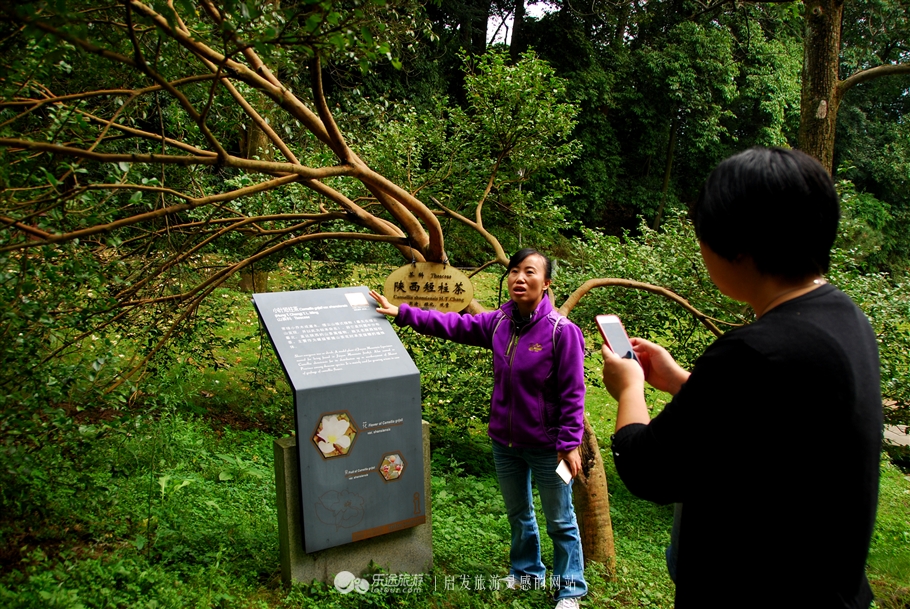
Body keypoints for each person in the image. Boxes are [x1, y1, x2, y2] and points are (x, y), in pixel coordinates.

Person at [601, 147, 882, 608]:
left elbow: (647, 469)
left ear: (736, 246)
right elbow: (776, 417)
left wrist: (629, 387)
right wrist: (680, 382)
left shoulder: (752, 350)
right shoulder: (844, 316)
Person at [370, 249, 587, 609]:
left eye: (529, 272)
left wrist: (569, 444)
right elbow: (453, 325)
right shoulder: (499, 323)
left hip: (549, 446)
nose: (519, 278)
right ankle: (527, 572)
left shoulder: (561, 333)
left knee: (561, 521)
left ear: (546, 283)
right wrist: (402, 313)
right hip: (505, 441)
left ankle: (571, 588)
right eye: (514, 271)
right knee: (519, 514)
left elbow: (573, 392)